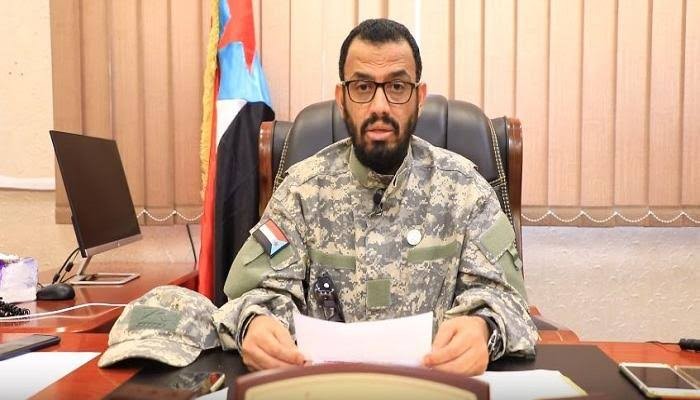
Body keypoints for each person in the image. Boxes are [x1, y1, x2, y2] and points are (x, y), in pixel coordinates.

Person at [212, 18, 537, 376]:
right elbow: (251, 295)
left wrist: (484, 329)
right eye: (363, 86)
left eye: (397, 86)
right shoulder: (301, 192)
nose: (380, 106)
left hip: (436, 385)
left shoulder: (465, 190)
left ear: (419, 98)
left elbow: (509, 301)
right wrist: (255, 323)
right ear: (342, 99)